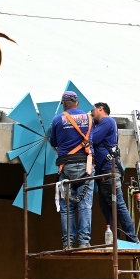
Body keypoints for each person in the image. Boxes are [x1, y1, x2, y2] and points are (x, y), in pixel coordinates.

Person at [48, 91, 94, 248]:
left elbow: (53, 141)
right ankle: (84, 242)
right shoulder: (89, 118)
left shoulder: (57, 120)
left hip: (66, 166)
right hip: (86, 166)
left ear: (64, 104)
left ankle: (68, 243)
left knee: (67, 208)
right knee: (85, 205)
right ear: (77, 102)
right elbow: (91, 139)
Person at [90, 102, 140, 243]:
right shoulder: (103, 124)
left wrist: (89, 123)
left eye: (93, 110)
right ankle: (115, 240)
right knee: (107, 208)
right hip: (103, 174)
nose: (92, 113)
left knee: (118, 205)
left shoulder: (107, 121)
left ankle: (132, 238)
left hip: (108, 172)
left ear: (101, 109)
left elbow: (93, 138)